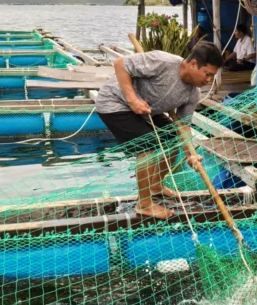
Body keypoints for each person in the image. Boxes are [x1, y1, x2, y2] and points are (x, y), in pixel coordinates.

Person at [95, 42, 224, 219]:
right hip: (116, 102)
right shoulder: (163, 61)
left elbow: (183, 127)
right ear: (193, 64)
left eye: (212, 76)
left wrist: (190, 154)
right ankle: (145, 204)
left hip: (147, 110)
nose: (209, 80)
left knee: (172, 137)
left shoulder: (193, 94)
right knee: (147, 144)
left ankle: (156, 185)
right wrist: (133, 100)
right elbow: (120, 64)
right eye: (207, 74)